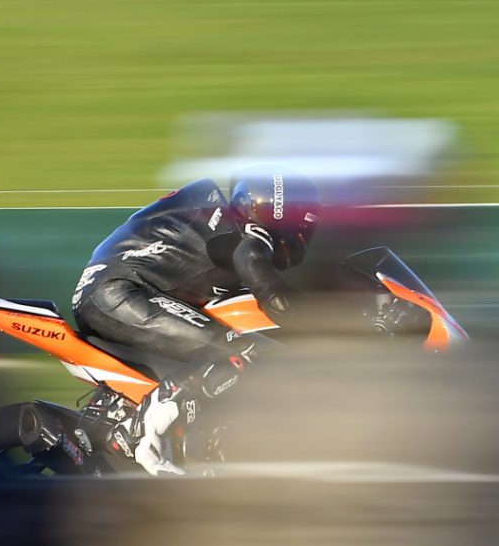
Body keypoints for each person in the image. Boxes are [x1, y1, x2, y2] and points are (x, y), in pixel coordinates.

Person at [70, 170, 320, 474]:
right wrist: (320, 325)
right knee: (241, 349)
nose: (303, 233)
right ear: (278, 211)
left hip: (121, 290)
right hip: (117, 292)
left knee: (239, 346)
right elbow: (263, 281)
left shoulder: (219, 221)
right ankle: (140, 434)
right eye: (300, 221)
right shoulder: (249, 237)